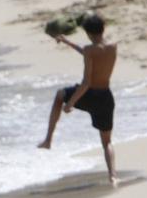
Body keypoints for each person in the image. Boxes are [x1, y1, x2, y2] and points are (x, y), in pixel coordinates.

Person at [38, 12, 119, 186]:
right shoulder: (113, 46)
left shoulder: (90, 50)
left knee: (60, 95)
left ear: (88, 33)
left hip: (90, 94)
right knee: (107, 142)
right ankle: (112, 176)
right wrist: (68, 42)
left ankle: (48, 139)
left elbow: (86, 82)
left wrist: (71, 103)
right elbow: (91, 54)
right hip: (106, 97)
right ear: (102, 29)